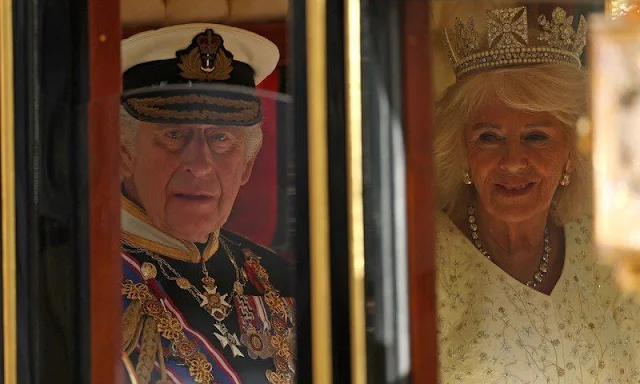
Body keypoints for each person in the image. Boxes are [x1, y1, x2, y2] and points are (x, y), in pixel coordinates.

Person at [434, 5, 640, 383]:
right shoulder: (426, 256)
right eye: (489, 138)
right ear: (463, 152)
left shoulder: (607, 248)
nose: (513, 162)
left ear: (571, 154)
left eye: (536, 136)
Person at [119, 24, 295, 384]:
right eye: (174, 134)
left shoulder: (280, 279)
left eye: (220, 137)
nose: (199, 164)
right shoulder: (71, 279)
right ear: (124, 153)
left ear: (246, 164)